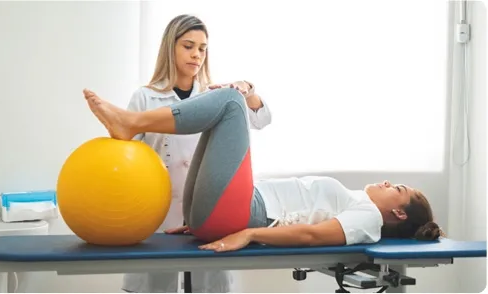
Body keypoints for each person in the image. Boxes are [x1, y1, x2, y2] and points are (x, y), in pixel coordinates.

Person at [82, 86, 444, 255]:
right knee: (219, 111)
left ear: (397, 212)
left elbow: (312, 236)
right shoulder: (357, 205)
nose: (386, 182)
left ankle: (131, 124)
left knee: (230, 102)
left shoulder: (369, 220)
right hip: (226, 212)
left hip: (246, 213)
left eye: (397, 188)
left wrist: (249, 235)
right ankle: (132, 123)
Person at [122, 14, 272, 293]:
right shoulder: (145, 97)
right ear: (171, 47)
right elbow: (128, 156)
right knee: (158, 284)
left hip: (208, 208)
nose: (196, 55)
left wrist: (247, 89)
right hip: (161, 208)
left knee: (206, 283)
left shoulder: (214, 95)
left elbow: (262, 119)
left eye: (202, 49)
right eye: (188, 46)